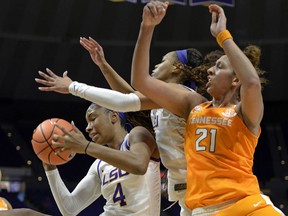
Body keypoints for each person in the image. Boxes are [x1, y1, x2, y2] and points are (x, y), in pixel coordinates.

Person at [130, 1, 285, 215]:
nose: (210, 70)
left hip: (247, 205)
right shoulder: (193, 104)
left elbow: (252, 83)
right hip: (206, 210)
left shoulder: (244, 112)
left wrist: (222, 35)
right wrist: (147, 27)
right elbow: (140, 81)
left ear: (235, 80)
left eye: (219, 67)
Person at [35, 45, 222, 215]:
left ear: (176, 68)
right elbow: (130, 98)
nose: (156, 65)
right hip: (188, 193)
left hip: (204, 188)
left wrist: (73, 87)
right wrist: (104, 66)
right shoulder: (164, 104)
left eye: (163, 60)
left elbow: (126, 102)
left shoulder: (181, 98)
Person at [42, 102, 161, 216]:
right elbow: (70, 208)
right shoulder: (99, 165)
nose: (87, 128)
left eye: (92, 119)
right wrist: (50, 167)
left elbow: (139, 165)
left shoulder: (137, 134)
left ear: (113, 116)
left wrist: (86, 146)